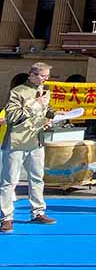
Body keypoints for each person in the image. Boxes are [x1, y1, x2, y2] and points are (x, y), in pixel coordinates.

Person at [0, 63, 60, 233]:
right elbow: (12, 116)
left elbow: (46, 110)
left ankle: (38, 212)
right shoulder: (17, 92)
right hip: (16, 142)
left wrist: (52, 116)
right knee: (9, 181)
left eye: (47, 76)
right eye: (43, 76)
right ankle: (6, 217)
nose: (45, 79)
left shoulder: (45, 91)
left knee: (37, 179)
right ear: (32, 75)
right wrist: (35, 104)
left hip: (36, 141)